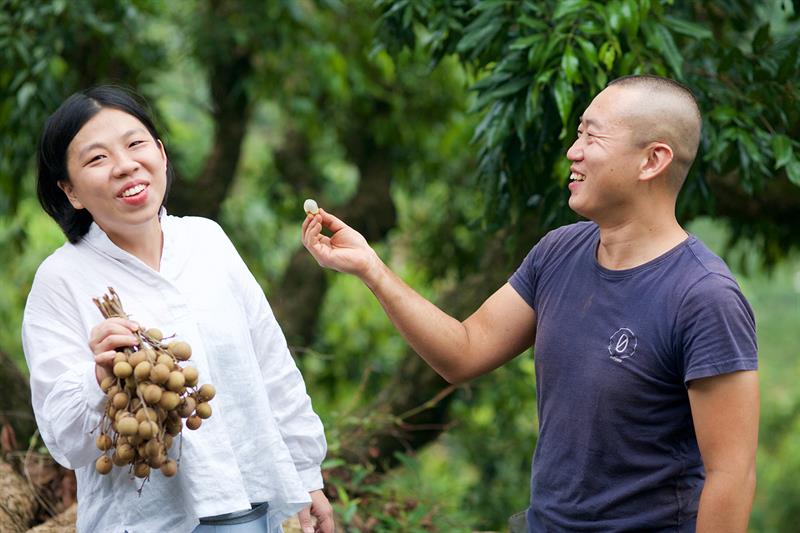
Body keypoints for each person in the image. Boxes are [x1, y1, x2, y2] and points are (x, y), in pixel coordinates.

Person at [301, 75, 759, 531]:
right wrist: (372, 269)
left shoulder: (703, 296)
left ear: (652, 160)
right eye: (578, 133)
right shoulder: (559, 252)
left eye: (591, 136)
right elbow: (464, 350)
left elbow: (731, 475)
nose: (573, 152)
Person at [23, 86, 334, 533]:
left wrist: (308, 475)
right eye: (97, 158)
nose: (125, 165)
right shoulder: (60, 281)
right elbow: (64, 441)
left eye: (135, 144)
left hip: (253, 509)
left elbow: (271, 367)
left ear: (162, 155)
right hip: (147, 522)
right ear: (70, 191)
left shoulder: (208, 241)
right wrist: (98, 378)